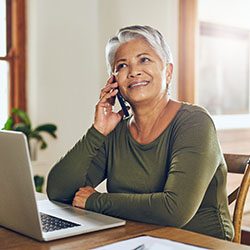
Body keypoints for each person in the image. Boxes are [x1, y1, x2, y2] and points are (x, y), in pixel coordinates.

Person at [47, 25, 234, 240]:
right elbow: (59, 192)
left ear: (168, 71)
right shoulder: (116, 131)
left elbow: (174, 210)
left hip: (196, 243)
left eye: (144, 59)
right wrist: (97, 131)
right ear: (114, 82)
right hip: (134, 240)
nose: (134, 71)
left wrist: (95, 201)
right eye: (122, 65)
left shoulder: (194, 122)